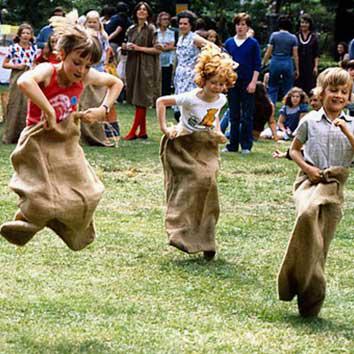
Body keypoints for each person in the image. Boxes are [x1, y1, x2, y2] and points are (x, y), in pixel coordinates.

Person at [0, 25, 123, 250]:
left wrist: (103, 109)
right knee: (41, 193)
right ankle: (27, 222)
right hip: (38, 139)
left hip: (65, 140)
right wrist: (48, 110)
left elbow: (116, 83)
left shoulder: (85, 77)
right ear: (62, 54)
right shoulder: (49, 71)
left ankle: (70, 229)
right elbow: (24, 82)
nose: (81, 70)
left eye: (87, 66)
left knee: (89, 190)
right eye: (77, 62)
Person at [277, 67, 354, 317]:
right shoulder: (309, 120)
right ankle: (291, 278)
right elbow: (295, 150)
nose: (339, 95)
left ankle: (309, 298)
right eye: (333, 90)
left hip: (334, 184)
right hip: (309, 181)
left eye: (344, 92)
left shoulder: (352, 123)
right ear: (321, 93)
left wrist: (347, 132)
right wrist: (307, 169)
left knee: (320, 244)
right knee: (307, 214)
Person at [157, 45, 237, 260]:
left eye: (222, 84)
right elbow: (161, 101)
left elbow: (215, 115)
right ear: (203, 79)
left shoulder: (221, 99)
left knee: (208, 182)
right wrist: (165, 128)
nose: (217, 87)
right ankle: (179, 232)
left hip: (206, 145)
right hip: (184, 144)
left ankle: (206, 239)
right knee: (189, 184)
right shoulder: (191, 97)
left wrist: (218, 131)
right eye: (213, 83)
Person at [223, 12, 261, 154]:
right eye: (238, 24)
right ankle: (232, 145)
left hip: (247, 83)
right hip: (232, 83)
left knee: (247, 115)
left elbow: (257, 65)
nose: (240, 27)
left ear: (247, 27)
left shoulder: (253, 44)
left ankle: (246, 145)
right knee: (233, 115)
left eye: (243, 24)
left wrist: (253, 83)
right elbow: (224, 63)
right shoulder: (229, 43)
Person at [123, 2, 161, 140]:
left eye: (144, 9)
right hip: (133, 64)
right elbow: (125, 44)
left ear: (148, 13)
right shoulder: (131, 29)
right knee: (136, 95)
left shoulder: (151, 29)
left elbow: (157, 49)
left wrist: (138, 48)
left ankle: (133, 131)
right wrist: (126, 47)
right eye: (139, 9)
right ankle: (143, 131)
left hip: (146, 66)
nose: (141, 11)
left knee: (142, 96)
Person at [80, 10, 119, 147]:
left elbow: (107, 50)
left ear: (99, 23)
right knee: (85, 101)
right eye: (89, 22)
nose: (92, 24)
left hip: (99, 68)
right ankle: (84, 132)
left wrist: (106, 64)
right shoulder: (84, 35)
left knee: (100, 101)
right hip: (89, 68)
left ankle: (101, 132)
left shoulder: (103, 35)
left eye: (94, 22)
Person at [2, 23, 37, 144]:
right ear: (19, 35)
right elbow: (5, 64)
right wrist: (16, 66)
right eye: (23, 33)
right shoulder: (13, 48)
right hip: (17, 74)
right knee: (15, 103)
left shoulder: (34, 48)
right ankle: (10, 135)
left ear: (31, 35)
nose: (26, 36)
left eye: (28, 33)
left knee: (27, 104)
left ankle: (25, 134)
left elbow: (35, 62)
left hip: (30, 76)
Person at [173, 10, 210, 121]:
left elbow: (213, 48)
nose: (182, 26)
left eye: (185, 24)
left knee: (191, 108)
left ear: (191, 25)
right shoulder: (180, 38)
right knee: (179, 109)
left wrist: (202, 64)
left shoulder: (195, 38)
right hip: (180, 77)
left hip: (191, 77)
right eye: (180, 23)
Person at [262, 15, 299, 104]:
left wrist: (263, 63)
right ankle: (288, 107)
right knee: (288, 87)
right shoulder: (293, 37)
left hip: (275, 62)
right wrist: (297, 69)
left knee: (272, 87)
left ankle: (271, 107)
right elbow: (295, 55)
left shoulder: (274, 35)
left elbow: (269, 51)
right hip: (287, 62)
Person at [295, 13, 319, 94]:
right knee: (299, 85)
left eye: (306, 23)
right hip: (299, 64)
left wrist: (316, 66)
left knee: (310, 85)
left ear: (309, 24)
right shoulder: (296, 36)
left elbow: (316, 53)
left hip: (310, 64)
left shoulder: (314, 37)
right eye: (302, 22)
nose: (304, 25)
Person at [156, 12, 175, 96]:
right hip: (157, 59)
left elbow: (171, 46)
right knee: (157, 79)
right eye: (164, 19)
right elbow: (155, 45)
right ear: (159, 20)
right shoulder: (155, 32)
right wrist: (165, 47)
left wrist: (162, 47)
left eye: (167, 19)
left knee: (167, 80)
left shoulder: (171, 32)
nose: (166, 21)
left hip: (168, 60)